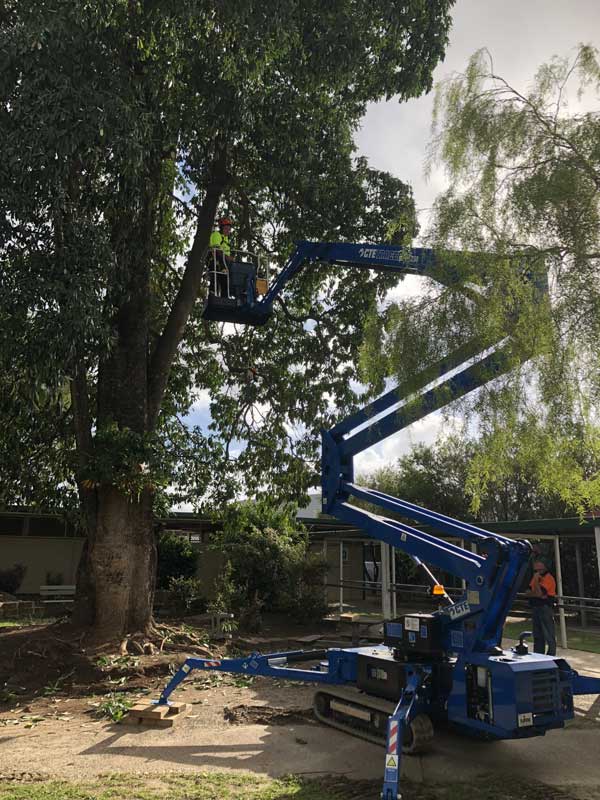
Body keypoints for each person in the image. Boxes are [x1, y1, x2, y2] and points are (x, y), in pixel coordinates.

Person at [526, 560, 557, 656]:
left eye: (538, 569)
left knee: (548, 634)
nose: (536, 570)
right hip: (535, 607)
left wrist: (535, 582)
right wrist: (534, 593)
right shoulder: (536, 578)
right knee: (538, 635)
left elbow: (539, 593)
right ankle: (538, 654)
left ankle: (551, 655)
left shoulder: (548, 578)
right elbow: (528, 592)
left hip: (545, 608)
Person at [208, 217, 233, 297]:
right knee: (215, 280)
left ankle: (225, 298)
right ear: (222, 228)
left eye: (229, 229)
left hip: (224, 264)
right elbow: (216, 251)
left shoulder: (226, 239)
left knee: (225, 283)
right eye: (226, 229)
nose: (228, 231)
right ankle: (212, 295)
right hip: (215, 261)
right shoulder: (216, 235)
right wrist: (227, 258)